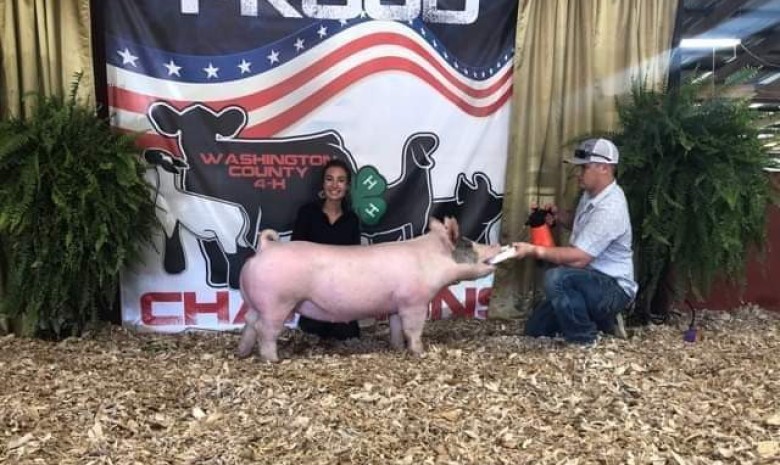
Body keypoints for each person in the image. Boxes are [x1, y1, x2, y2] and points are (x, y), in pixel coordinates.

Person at [512, 138, 637, 344]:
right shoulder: (592, 194)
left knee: (557, 279)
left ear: (604, 168)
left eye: (584, 168)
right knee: (536, 329)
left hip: (612, 288)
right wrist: (559, 217)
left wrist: (534, 250)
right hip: (587, 280)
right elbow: (585, 227)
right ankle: (603, 321)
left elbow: (579, 259)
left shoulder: (610, 207)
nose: (578, 174)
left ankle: (584, 339)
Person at [291, 158, 361, 340]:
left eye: (341, 180)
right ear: (323, 183)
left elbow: (355, 261)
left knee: (347, 337)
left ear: (347, 186)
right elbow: (295, 252)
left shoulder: (352, 220)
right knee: (311, 336)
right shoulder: (307, 213)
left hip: (342, 297)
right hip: (312, 295)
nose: (335, 185)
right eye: (329, 179)